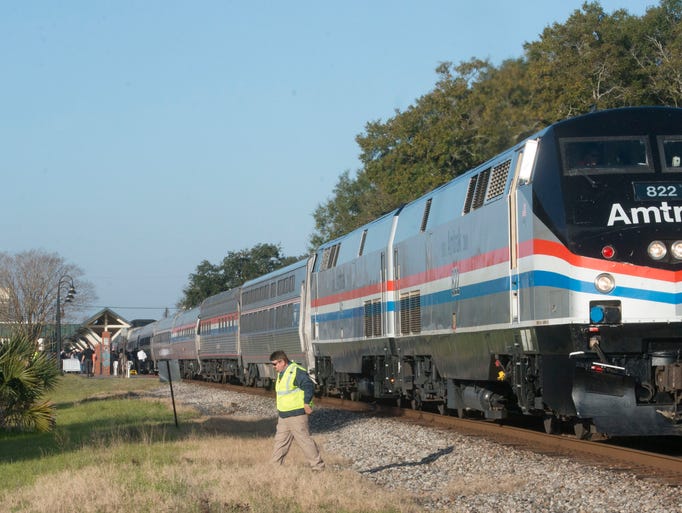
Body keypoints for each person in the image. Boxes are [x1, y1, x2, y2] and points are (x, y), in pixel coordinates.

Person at [270, 350, 325, 471]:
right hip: (284, 415)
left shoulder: (296, 371)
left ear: (282, 361)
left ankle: (318, 467)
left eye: (275, 364)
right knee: (280, 442)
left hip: (296, 415)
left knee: (304, 441)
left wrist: (306, 403)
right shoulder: (282, 373)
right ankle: (274, 468)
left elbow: (308, 386)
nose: (274, 367)